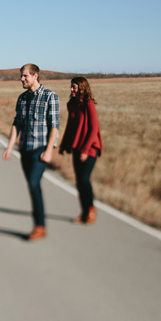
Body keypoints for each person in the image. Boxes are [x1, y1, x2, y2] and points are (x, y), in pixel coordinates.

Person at [3, 64, 60, 241]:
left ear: (35, 76)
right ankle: (39, 222)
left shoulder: (50, 97)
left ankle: (40, 226)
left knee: (34, 184)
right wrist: (10, 147)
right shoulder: (22, 99)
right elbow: (17, 124)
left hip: (40, 150)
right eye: (21, 76)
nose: (22, 79)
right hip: (25, 149)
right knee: (32, 186)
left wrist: (49, 151)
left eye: (25, 76)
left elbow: (54, 127)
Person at [59, 77, 103, 224]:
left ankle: (90, 209)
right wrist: (64, 145)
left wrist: (85, 149)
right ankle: (84, 212)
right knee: (79, 181)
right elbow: (70, 127)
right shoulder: (71, 105)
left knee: (84, 179)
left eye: (74, 87)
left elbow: (94, 128)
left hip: (90, 148)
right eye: (71, 87)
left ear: (82, 88)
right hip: (77, 147)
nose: (71, 90)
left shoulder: (88, 104)